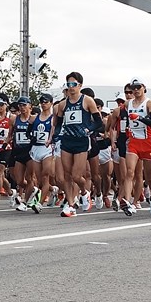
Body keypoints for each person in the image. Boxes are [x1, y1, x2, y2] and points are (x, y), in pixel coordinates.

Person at [55, 72, 103, 218]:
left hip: (81, 140)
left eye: (74, 84)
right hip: (67, 140)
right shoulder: (62, 104)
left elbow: (99, 122)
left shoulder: (87, 101)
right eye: (68, 84)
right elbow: (57, 124)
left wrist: (89, 129)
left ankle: (84, 192)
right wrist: (57, 135)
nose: (71, 87)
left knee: (77, 175)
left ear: (80, 86)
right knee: (66, 176)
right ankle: (70, 205)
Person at [122, 77, 151, 216]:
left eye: (138, 87)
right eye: (133, 88)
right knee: (129, 172)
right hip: (134, 141)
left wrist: (139, 118)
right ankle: (128, 202)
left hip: (147, 141)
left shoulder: (149, 103)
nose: (136, 90)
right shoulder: (128, 103)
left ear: (144, 87)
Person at [26, 92, 55, 212]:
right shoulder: (34, 118)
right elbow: (28, 131)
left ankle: (40, 203)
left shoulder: (53, 118)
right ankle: (53, 190)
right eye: (42, 102)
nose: (43, 104)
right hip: (36, 148)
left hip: (47, 149)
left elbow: (54, 131)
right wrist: (30, 137)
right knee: (38, 178)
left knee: (45, 175)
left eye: (46, 102)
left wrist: (50, 140)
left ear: (51, 103)